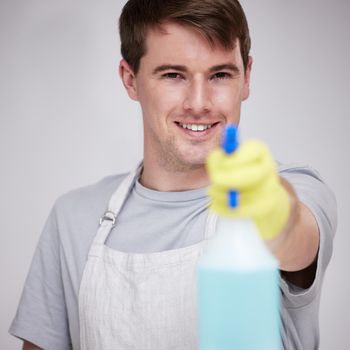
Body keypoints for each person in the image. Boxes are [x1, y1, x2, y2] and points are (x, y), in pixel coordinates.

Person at [10, 0, 337, 349]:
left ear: (247, 78)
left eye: (220, 74)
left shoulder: (295, 190)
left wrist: (274, 211)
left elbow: (296, 239)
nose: (199, 102)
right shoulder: (74, 218)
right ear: (130, 79)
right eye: (173, 75)